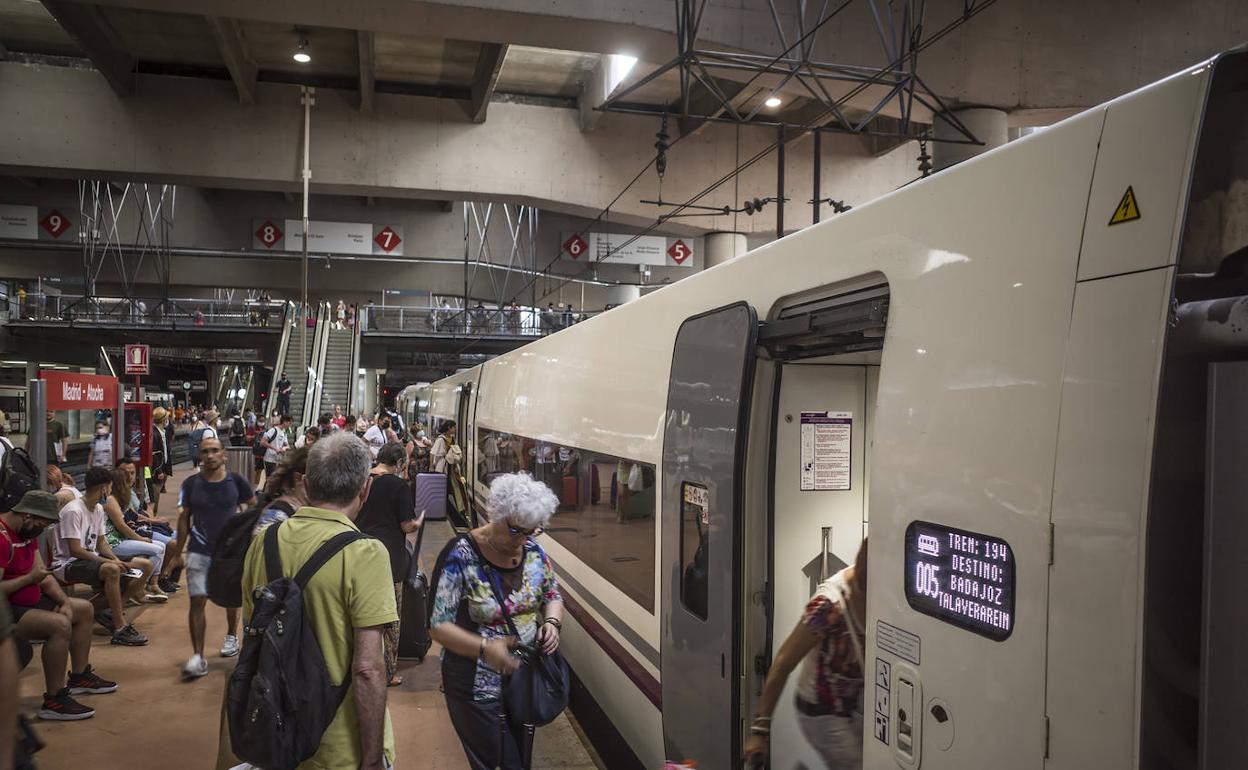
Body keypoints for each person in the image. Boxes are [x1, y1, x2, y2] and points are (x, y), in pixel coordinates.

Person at [240, 432, 398, 769]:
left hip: (274, 735)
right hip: (338, 746)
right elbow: (368, 669)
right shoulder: (365, 553)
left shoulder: (264, 541)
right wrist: (371, 760)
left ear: (307, 483)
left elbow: (252, 634)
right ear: (364, 489)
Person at [430, 473, 564, 770]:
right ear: (497, 515)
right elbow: (438, 625)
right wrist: (485, 648)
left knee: (519, 757)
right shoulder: (460, 554)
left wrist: (552, 623)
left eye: (531, 531)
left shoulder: (533, 552)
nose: (522, 540)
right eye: (516, 530)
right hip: (475, 685)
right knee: (500, 763)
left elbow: (552, 593)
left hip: (522, 680)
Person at [743, 539, 868, 770]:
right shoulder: (827, 606)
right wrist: (760, 730)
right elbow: (783, 662)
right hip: (822, 712)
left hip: (855, 706)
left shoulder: (883, 597)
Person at [1, 490, 120, 722]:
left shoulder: (27, 532)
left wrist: (63, 601)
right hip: (7, 609)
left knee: (83, 609)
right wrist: (28, 580)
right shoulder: (3, 538)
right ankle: (54, 699)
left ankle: (79, 676)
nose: (43, 529)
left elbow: (43, 576)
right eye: (42, 523)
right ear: (27, 516)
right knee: (59, 625)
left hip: (29, 598)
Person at [169, 438, 255, 678]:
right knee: (197, 601)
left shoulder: (237, 482)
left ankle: (231, 636)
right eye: (205, 451)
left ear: (223, 454)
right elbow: (184, 518)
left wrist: (243, 535)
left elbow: (253, 507)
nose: (210, 455)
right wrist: (178, 554)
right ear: (199, 455)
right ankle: (198, 656)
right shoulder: (190, 484)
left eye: (215, 450)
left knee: (232, 599)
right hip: (199, 550)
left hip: (229, 554)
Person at [48, 468, 151, 646]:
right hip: (67, 564)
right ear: (103, 488)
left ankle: (101, 612)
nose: (110, 492)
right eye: (109, 488)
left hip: (88, 560)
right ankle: (120, 628)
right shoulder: (73, 511)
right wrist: (109, 562)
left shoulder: (97, 510)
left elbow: (101, 542)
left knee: (132, 569)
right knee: (111, 570)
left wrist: (116, 559)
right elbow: (75, 550)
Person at [355, 443, 422, 687]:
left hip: (359, 552)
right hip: (389, 558)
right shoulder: (398, 485)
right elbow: (407, 526)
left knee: (361, 612)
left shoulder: (361, 479)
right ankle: (388, 671)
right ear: (400, 463)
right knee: (390, 617)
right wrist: (419, 521)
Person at [103, 470, 170, 603]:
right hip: (113, 543)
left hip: (121, 539)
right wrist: (140, 539)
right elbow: (121, 526)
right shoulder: (111, 500)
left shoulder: (120, 499)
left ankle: (147, 584)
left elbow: (133, 516)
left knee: (160, 546)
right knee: (157, 549)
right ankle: (140, 587)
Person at [149, 407, 173, 515]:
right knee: (155, 495)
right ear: (163, 419)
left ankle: (154, 514)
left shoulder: (162, 432)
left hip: (162, 467)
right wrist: (158, 470)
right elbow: (154, 453)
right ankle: (153, 515)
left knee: (157, 494)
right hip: (157, 471)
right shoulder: (154, 433)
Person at [260, 414, 291, 479]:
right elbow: (263, 442)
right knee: (269, 479)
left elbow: (287, 445)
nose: (290, 425)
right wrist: (275, 449)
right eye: (289, 423)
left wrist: (284, 448)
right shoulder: (273, 430)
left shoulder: (284, 432)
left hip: (278, 460)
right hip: (269, 459)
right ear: (284, 422)